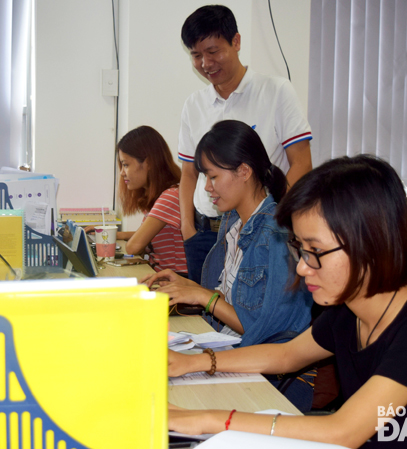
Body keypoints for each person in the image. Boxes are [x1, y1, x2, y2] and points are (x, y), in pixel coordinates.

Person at [166, 155, 407, 448]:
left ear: (370, 245)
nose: (302, 267)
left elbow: (342, 431)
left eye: (314, 251)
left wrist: (212, 419)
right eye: (300, 248)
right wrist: (193, 362)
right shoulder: (350, 312)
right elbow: (286, 355)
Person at [143, 120, 314, 410]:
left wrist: (201, 296)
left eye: (212, 177)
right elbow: (228, 299)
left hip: (266, 379)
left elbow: (263, 330)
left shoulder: (276, 235)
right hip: (230, 354)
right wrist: (188, 287)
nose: (207, 188)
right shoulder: (233, 223)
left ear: (244, 171)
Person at [178, 5, 313, 284]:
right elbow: (189, 173)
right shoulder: (194, 105)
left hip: (262, 232)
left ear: (236, 42)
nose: (205, 63)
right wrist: (187, 229)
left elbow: (302, 163)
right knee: (203, 319)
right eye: (196, 55)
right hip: (205, 234)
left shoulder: (276, 92)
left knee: (253, 318)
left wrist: (274, 219)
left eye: (213, 51)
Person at [113, 126, 187, 275]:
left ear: (148, 163)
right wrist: (115, 234)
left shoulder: (170, 197)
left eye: (125, 165)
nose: (122, 173)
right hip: (162, 277)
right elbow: (148, 233)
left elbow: (134, 247)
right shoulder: (161, 195)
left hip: (176, 282)